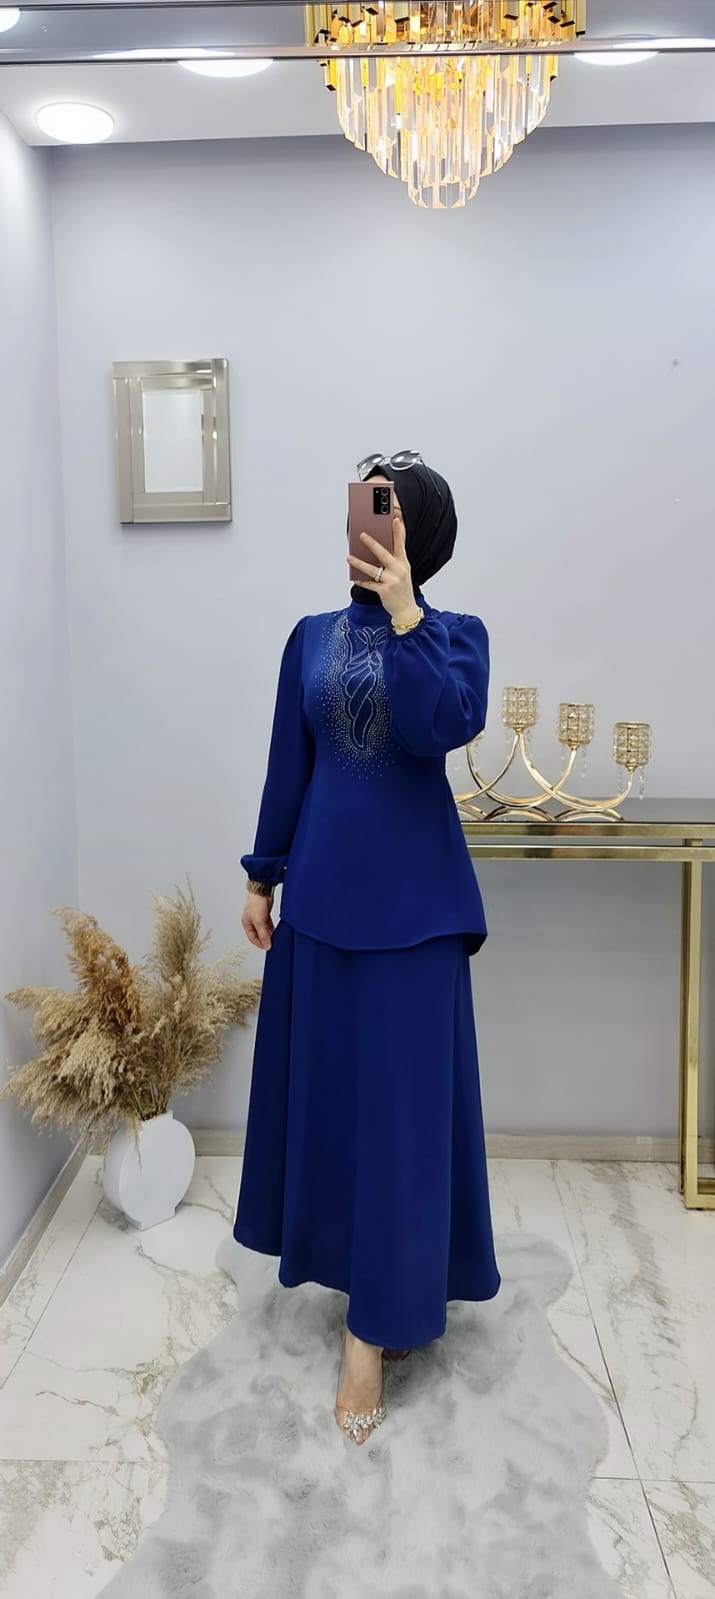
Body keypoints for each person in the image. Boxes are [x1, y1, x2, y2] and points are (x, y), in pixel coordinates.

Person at [234, 450, 501, 1445]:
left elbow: (441, 728)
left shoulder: (454, 638)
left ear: (416, 533)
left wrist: (404, 615)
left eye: (387, 510)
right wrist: (262, 874)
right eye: (361, 506)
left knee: (399, 1121)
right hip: (320, 908)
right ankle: (361, 1282)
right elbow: (289, 761)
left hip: (415, 918)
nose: (367, 525)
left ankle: (372, 1329)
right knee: (340, 1111)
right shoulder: (307, 638)